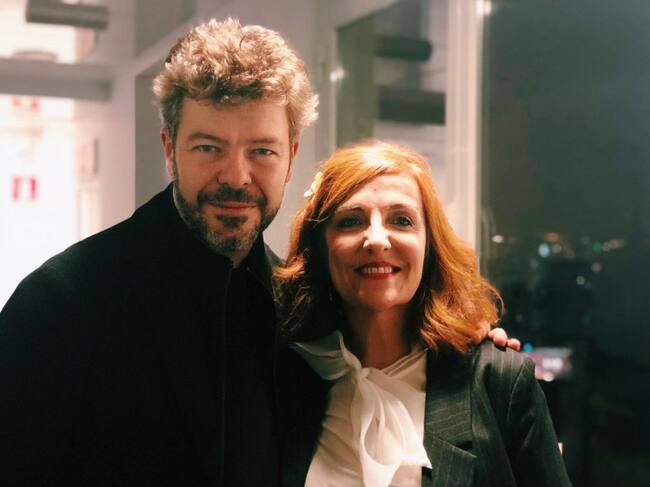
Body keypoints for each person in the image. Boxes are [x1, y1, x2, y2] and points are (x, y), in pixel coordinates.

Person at [0, 18, 515, 486]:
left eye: (261, 151)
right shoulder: (61, 303)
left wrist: (468, 344)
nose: (236, 176)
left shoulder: (297, 306)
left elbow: (385, 341)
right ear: (169, 148)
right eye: (208, 147)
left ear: (291, 157)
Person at [276, 141, 571, 486]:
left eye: (401, 220)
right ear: (321, 247)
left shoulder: (498, 381)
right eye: (351, 221)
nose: (377, 239)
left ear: (430, 245)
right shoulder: (286, 381)